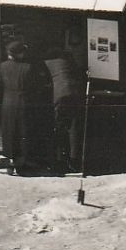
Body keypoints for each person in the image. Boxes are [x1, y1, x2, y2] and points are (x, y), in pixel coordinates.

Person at [0, 40, 50, 176]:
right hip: (23, 102)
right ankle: (21, 163)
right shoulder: (28, 67)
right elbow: (37, 86)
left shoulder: (2, 66)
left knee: (9, 132)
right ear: (20, 53)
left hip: (7, 101)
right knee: (23, 132)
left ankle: (10, 160)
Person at [44, 38, 86, 173]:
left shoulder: (47, 63)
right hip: (74, 93)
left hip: (60, 96)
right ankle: (74, 161)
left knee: (58, 127)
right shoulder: (67, 61)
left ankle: (58, 160)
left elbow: (46, 82)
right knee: (73, 127)